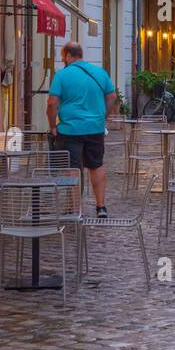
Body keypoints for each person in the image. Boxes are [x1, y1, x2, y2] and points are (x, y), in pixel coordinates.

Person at [47, 41, 117, 218]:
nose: (63, 59)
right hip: (95, 128)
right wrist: (103, 117)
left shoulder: (62, 75)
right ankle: (101, 207)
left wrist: (52, 125)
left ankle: (74, 208)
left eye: (63, 56)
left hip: (70, 129)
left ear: (68, 56)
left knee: (73, 168)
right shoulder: (100, 73)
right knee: (96, 165)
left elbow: (52, 102)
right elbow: (112, 97)